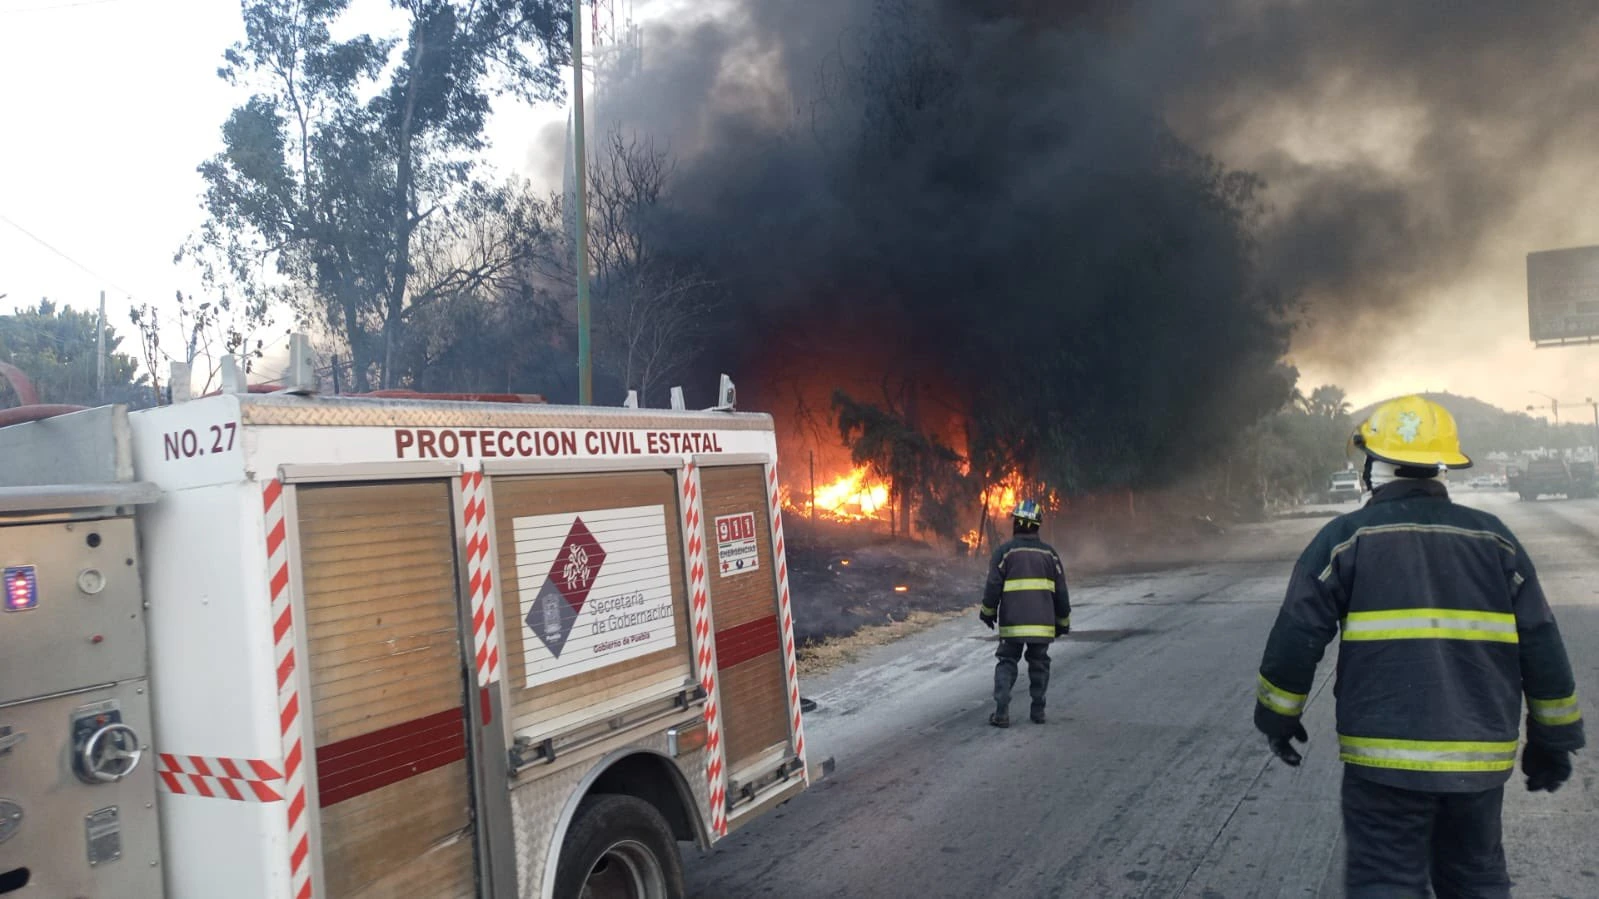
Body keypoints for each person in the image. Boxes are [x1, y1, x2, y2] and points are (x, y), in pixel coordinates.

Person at [1252, 395, 1585, 898]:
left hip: (1384, 762)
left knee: (1386, 882)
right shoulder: (1495, 541)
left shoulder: (1346, 538)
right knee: (1476, 881)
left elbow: (1298, 634)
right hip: (1477, 764)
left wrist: (1277, 717)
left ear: (1373, 468)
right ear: (1441, 466)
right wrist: (1553, 742)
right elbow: (1540, 644)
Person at [980, 499, 1071, 727]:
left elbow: (993, 586)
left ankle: (1001, 712)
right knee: (1039, 663)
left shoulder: (1004, 553)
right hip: (1042, 625)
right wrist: (1063, 621)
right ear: (1037, 525)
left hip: (1012, 624)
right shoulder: (1050, 555)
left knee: (1007, 661)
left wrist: (987, 611)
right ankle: (1038, 711)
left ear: (1016, 524)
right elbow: (1061, 592)